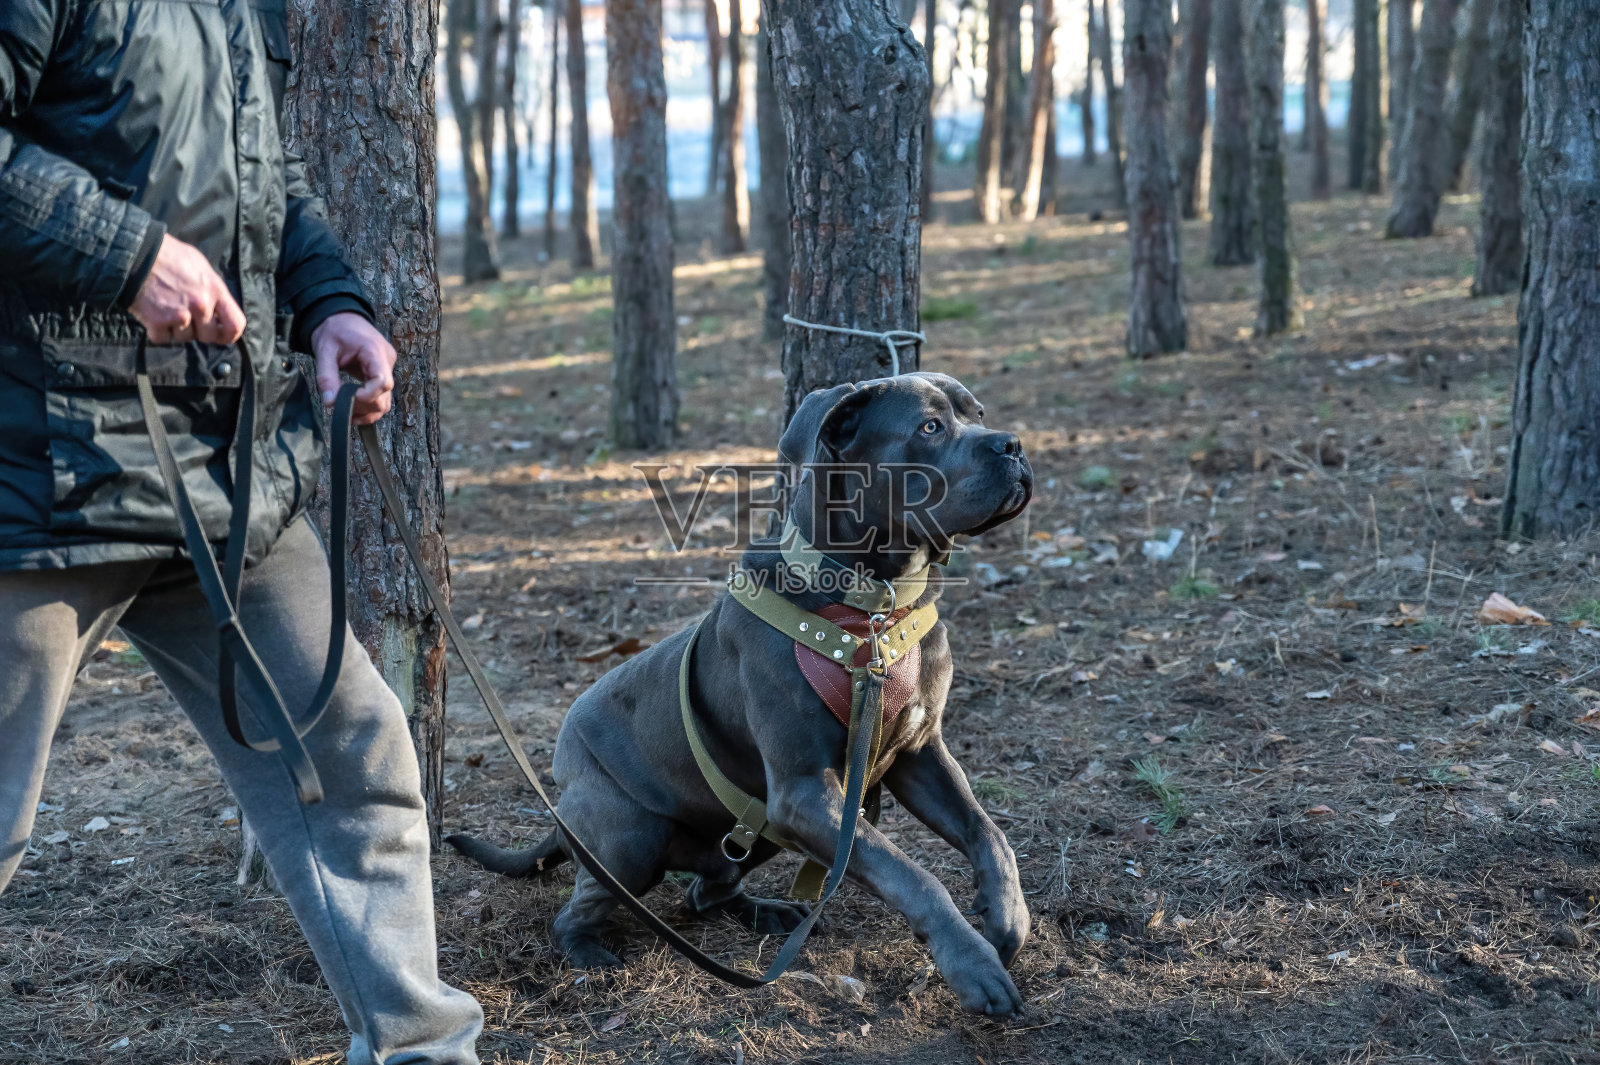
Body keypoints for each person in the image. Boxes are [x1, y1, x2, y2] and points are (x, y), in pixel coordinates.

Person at [0, 2, 484, 1062]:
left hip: (225, 474)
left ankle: (421, 1050)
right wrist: (125, 256)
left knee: (352, 759)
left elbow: (271, 183)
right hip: (31, 479)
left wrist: (328, 303)